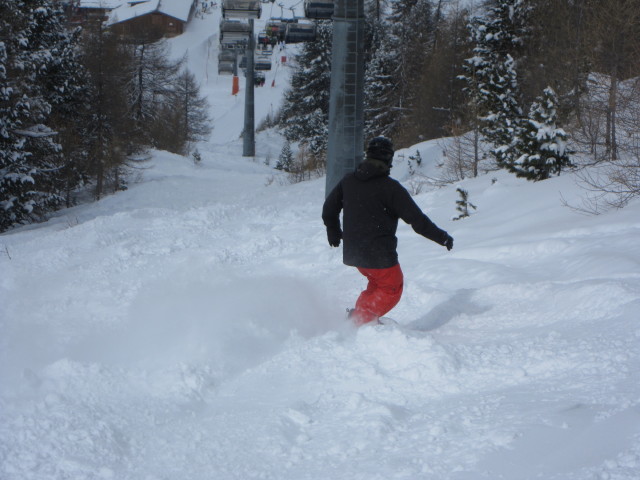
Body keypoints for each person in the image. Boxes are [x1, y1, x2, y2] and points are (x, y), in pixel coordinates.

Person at [322, 136, 454, 326]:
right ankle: (360, 321)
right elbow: (417, 220)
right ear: (388, 159)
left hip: (355, 252)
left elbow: (329, 209)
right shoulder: (390, 188)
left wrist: (333, 230)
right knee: (392, 288)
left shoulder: (349, 181)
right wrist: (442, 237)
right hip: (379, 254)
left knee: (376, 285)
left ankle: (360, 317)